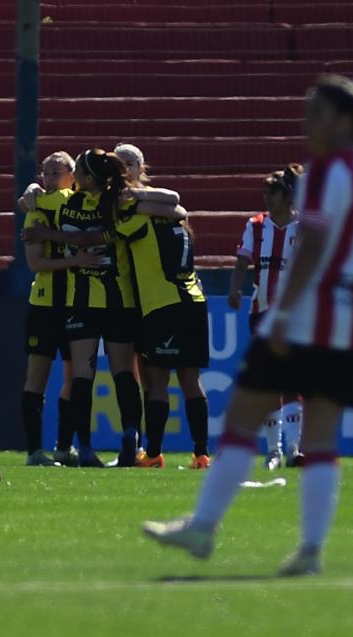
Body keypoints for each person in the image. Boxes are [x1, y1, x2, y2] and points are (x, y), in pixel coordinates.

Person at [142, 74, 353, 576]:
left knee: (244, 414)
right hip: (352, 313)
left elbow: (311, 246)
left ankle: (204, 525)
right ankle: (310, 551)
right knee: (322, 437)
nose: (308, 122)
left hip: (313, 309)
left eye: (318, 112)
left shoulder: (328, 170)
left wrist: (284, 312)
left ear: (344, 120)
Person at [27, 183, 211, 471]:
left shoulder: (130, 213)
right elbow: (177, 204)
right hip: (181, 300)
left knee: (153, 380)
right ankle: (180, 452)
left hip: (148, 304)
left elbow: (93, 236)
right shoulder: (152, 214)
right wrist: (33, 192)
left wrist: (47, 234)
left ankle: (144, 450)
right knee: (171, 379)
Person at [114, 142, 211, 468]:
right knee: (188, 380)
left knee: (157, 382)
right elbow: (178, 207)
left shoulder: (136, 211)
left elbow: (112, 232)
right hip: (193, 299)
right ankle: (201, 453)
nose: (124, 169)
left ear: (141, 169)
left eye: (129, 163)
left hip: (163, 305)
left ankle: (153, 454)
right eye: (119, 163)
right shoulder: (167, 210)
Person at [21, 151, 104, 467]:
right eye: (46, 171)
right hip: (44, 303)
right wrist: (76, 261)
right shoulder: (37, 207)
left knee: (74, 377)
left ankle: (63, 447)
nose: (50, 177)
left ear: (73, 174)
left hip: (75, 302)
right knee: (37, 378)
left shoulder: (70, 205)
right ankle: (33, 451)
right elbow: (35, 262)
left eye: (57, 171)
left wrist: (31, 195)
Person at [228, 164, 305, 470]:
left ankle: (295, 448)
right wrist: (235, 289)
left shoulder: (305, 227)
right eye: (264, 192)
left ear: (288, 196)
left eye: (271, 192)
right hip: (261, 312)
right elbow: (243, 260)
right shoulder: (256, 226)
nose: (265, 197)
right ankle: (274, 449)